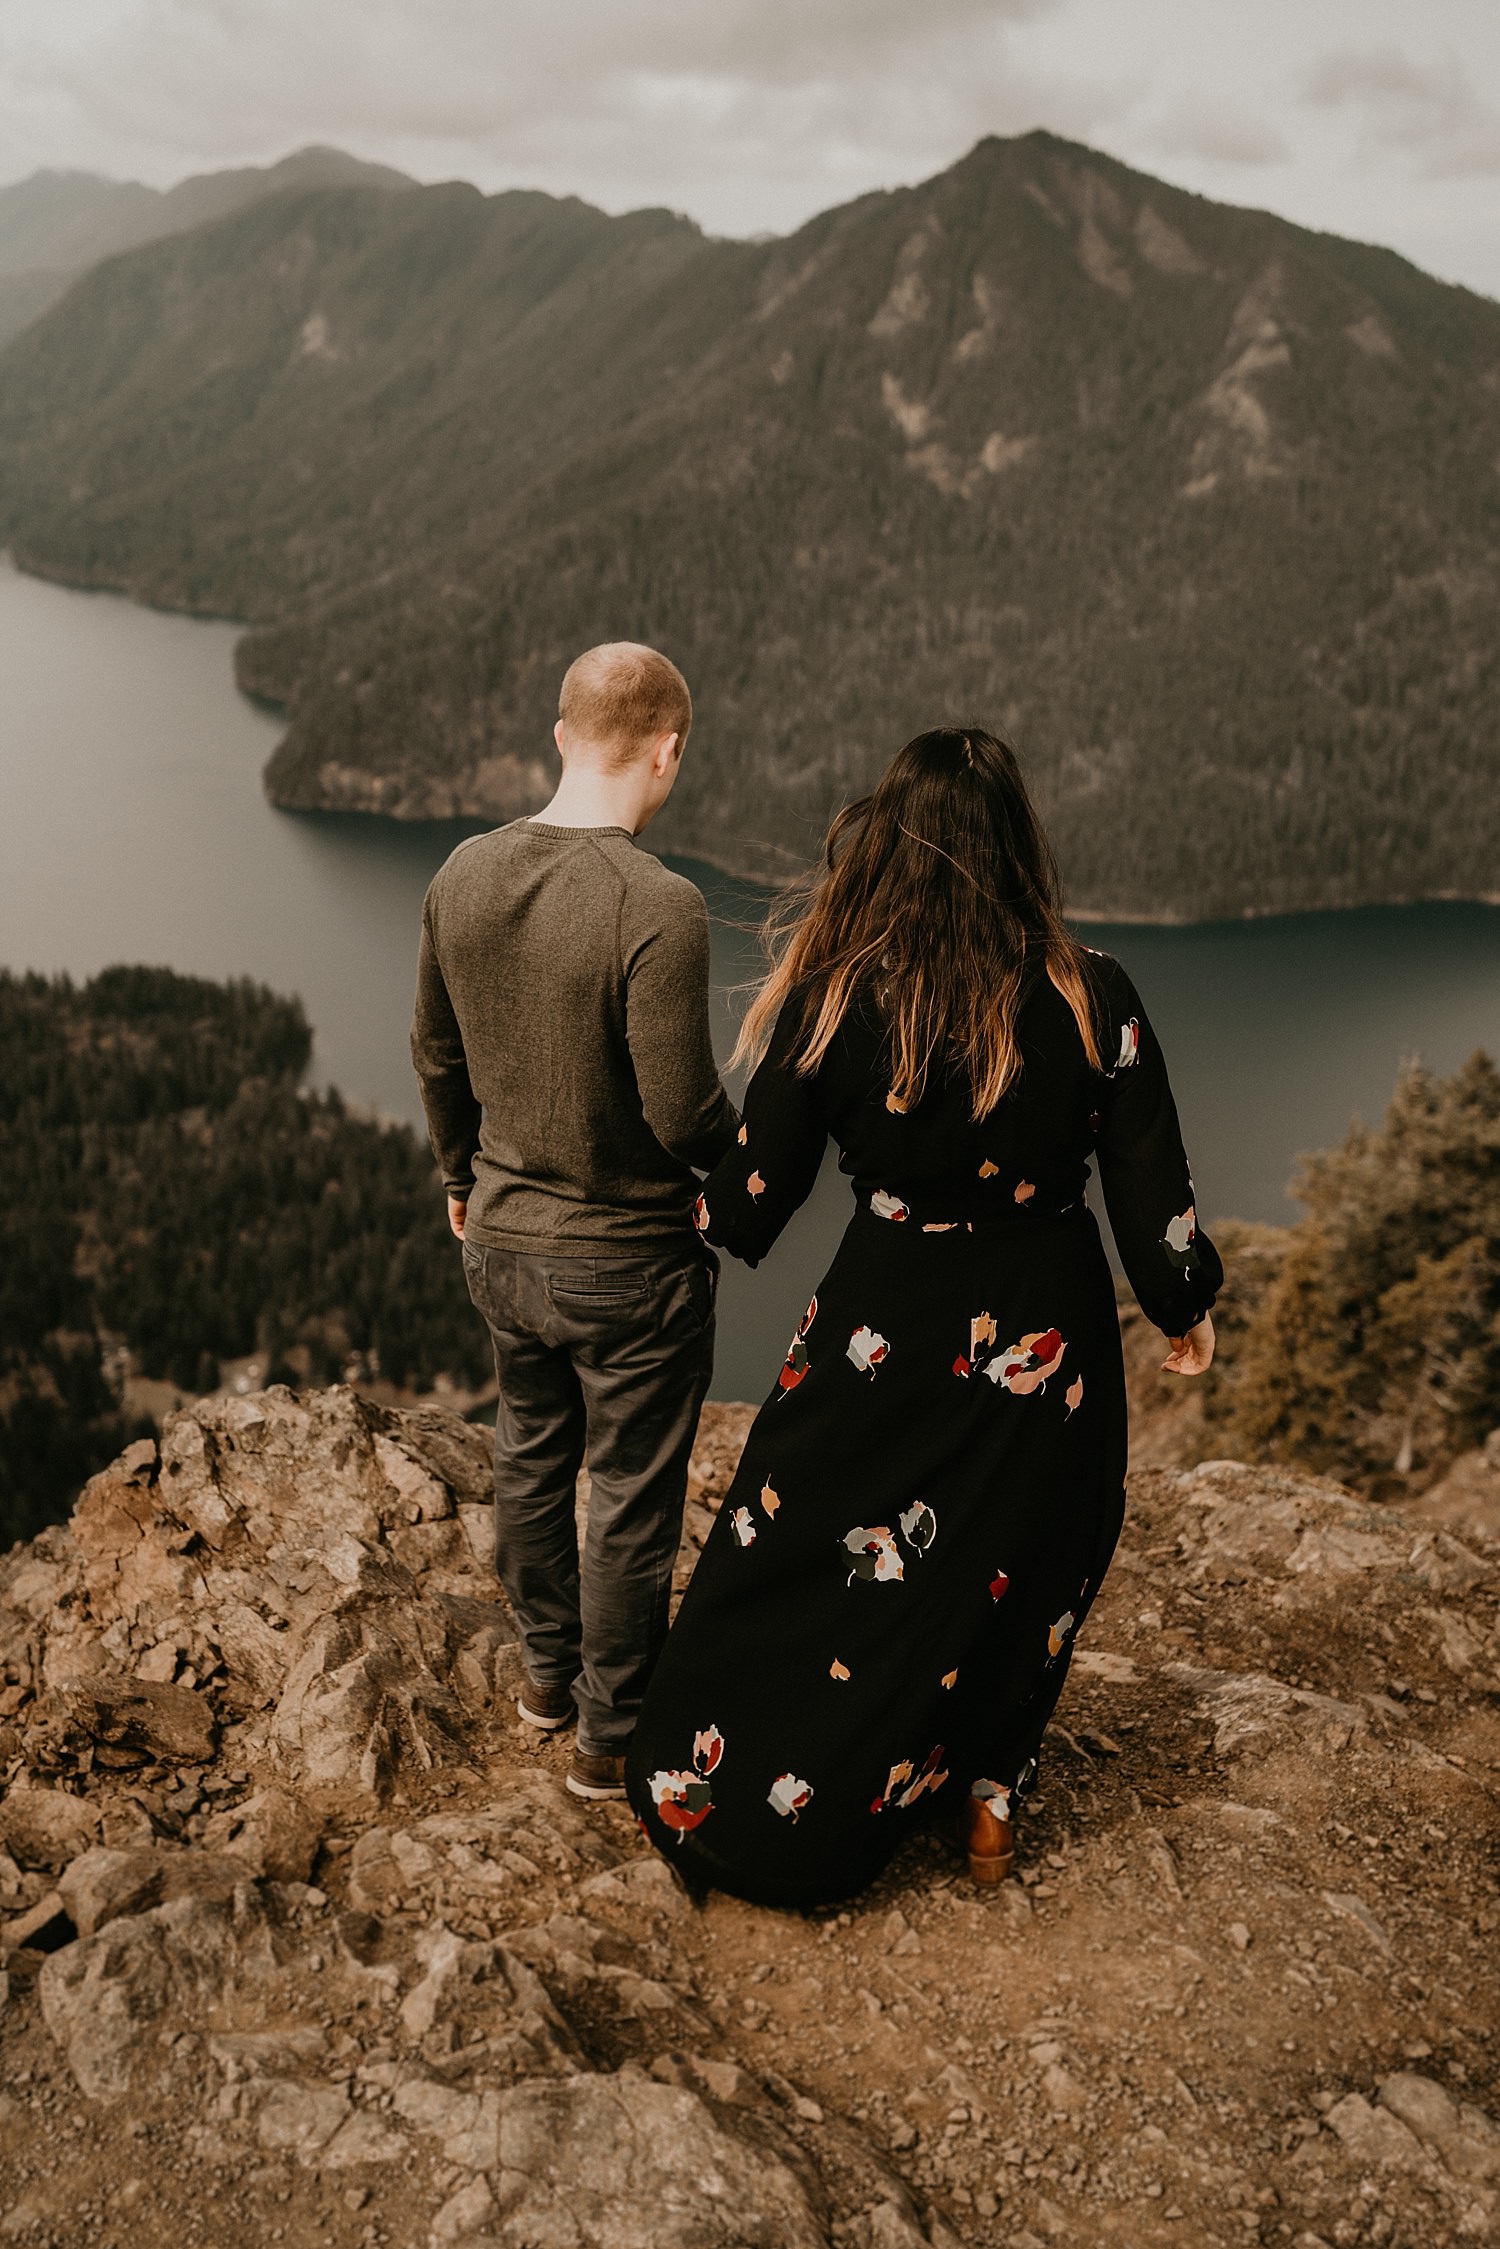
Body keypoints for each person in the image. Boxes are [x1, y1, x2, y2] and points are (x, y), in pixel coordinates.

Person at [625, 725, 1221, 1905]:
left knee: (808, 1544)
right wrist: (1182, 1307)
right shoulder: (1092, 989)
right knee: (1019, 1557)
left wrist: (673, 1224)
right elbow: (1154, 1193)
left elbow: (750, 1198)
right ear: (1018, 844)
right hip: (1046, 1323)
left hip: (883, 1317)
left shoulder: (839, 989)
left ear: (889, 844)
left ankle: (754, 1792)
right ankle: (987, 1798)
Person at [411, 642, 737, 1801]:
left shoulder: (462, 873)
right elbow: (681, 1105)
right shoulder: (660, 905)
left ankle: (545, 1681)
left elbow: (436, 1052)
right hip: (630, 1265)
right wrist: (745, 1168)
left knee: (531, 1462)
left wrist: (462, 1176)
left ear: (560, 733)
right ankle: (611, 1733)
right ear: (669, 748)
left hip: (500, 1243)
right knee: (632, 1494)